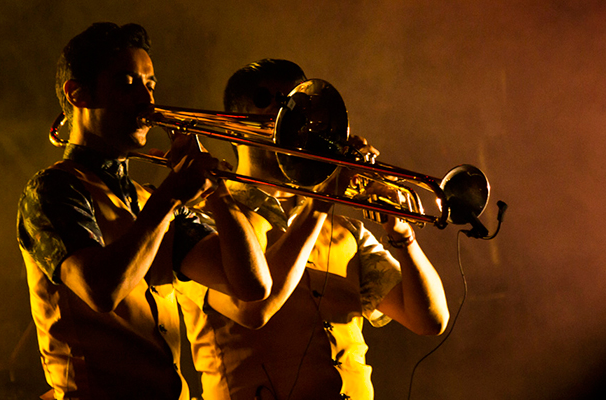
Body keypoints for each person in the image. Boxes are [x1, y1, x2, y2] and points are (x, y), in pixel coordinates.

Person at [16, 23, 272, 400]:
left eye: (150, 85)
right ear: (78, 94)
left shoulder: (147, 198)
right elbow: (102, 290)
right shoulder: (53, 188)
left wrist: (216, 192)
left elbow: (251, 286)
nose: (148, 102)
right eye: (127, 83)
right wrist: (170, 196)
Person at [175, 59, 450, 400]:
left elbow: (429, 321)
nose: (284, 114)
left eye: (296, 104)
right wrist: (323, 200)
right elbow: (252, 310)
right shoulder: (203, 218)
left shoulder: (346, 231)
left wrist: (403, 236)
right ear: (233, 127)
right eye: (267, 101)